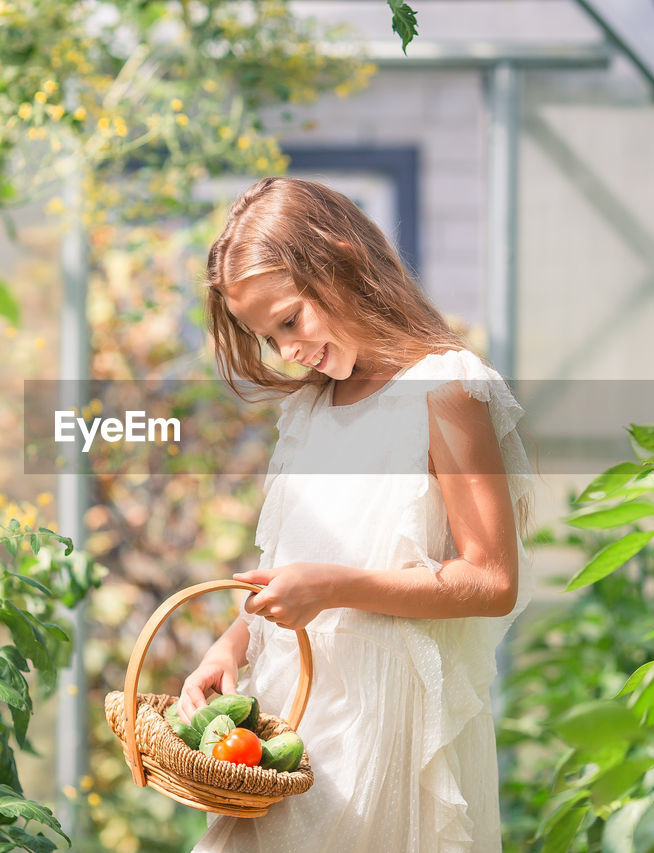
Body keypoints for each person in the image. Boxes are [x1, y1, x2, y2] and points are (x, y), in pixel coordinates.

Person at [179, 176, 536, 852]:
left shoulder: (447, 387)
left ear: (343, 261)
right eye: (267, 336)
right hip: (286, 725)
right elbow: (288, 566)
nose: (287, 351)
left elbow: (492, 579)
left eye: (290, 320)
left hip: (385, 732)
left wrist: (335, 586)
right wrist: (233, 644)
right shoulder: (311, 408)